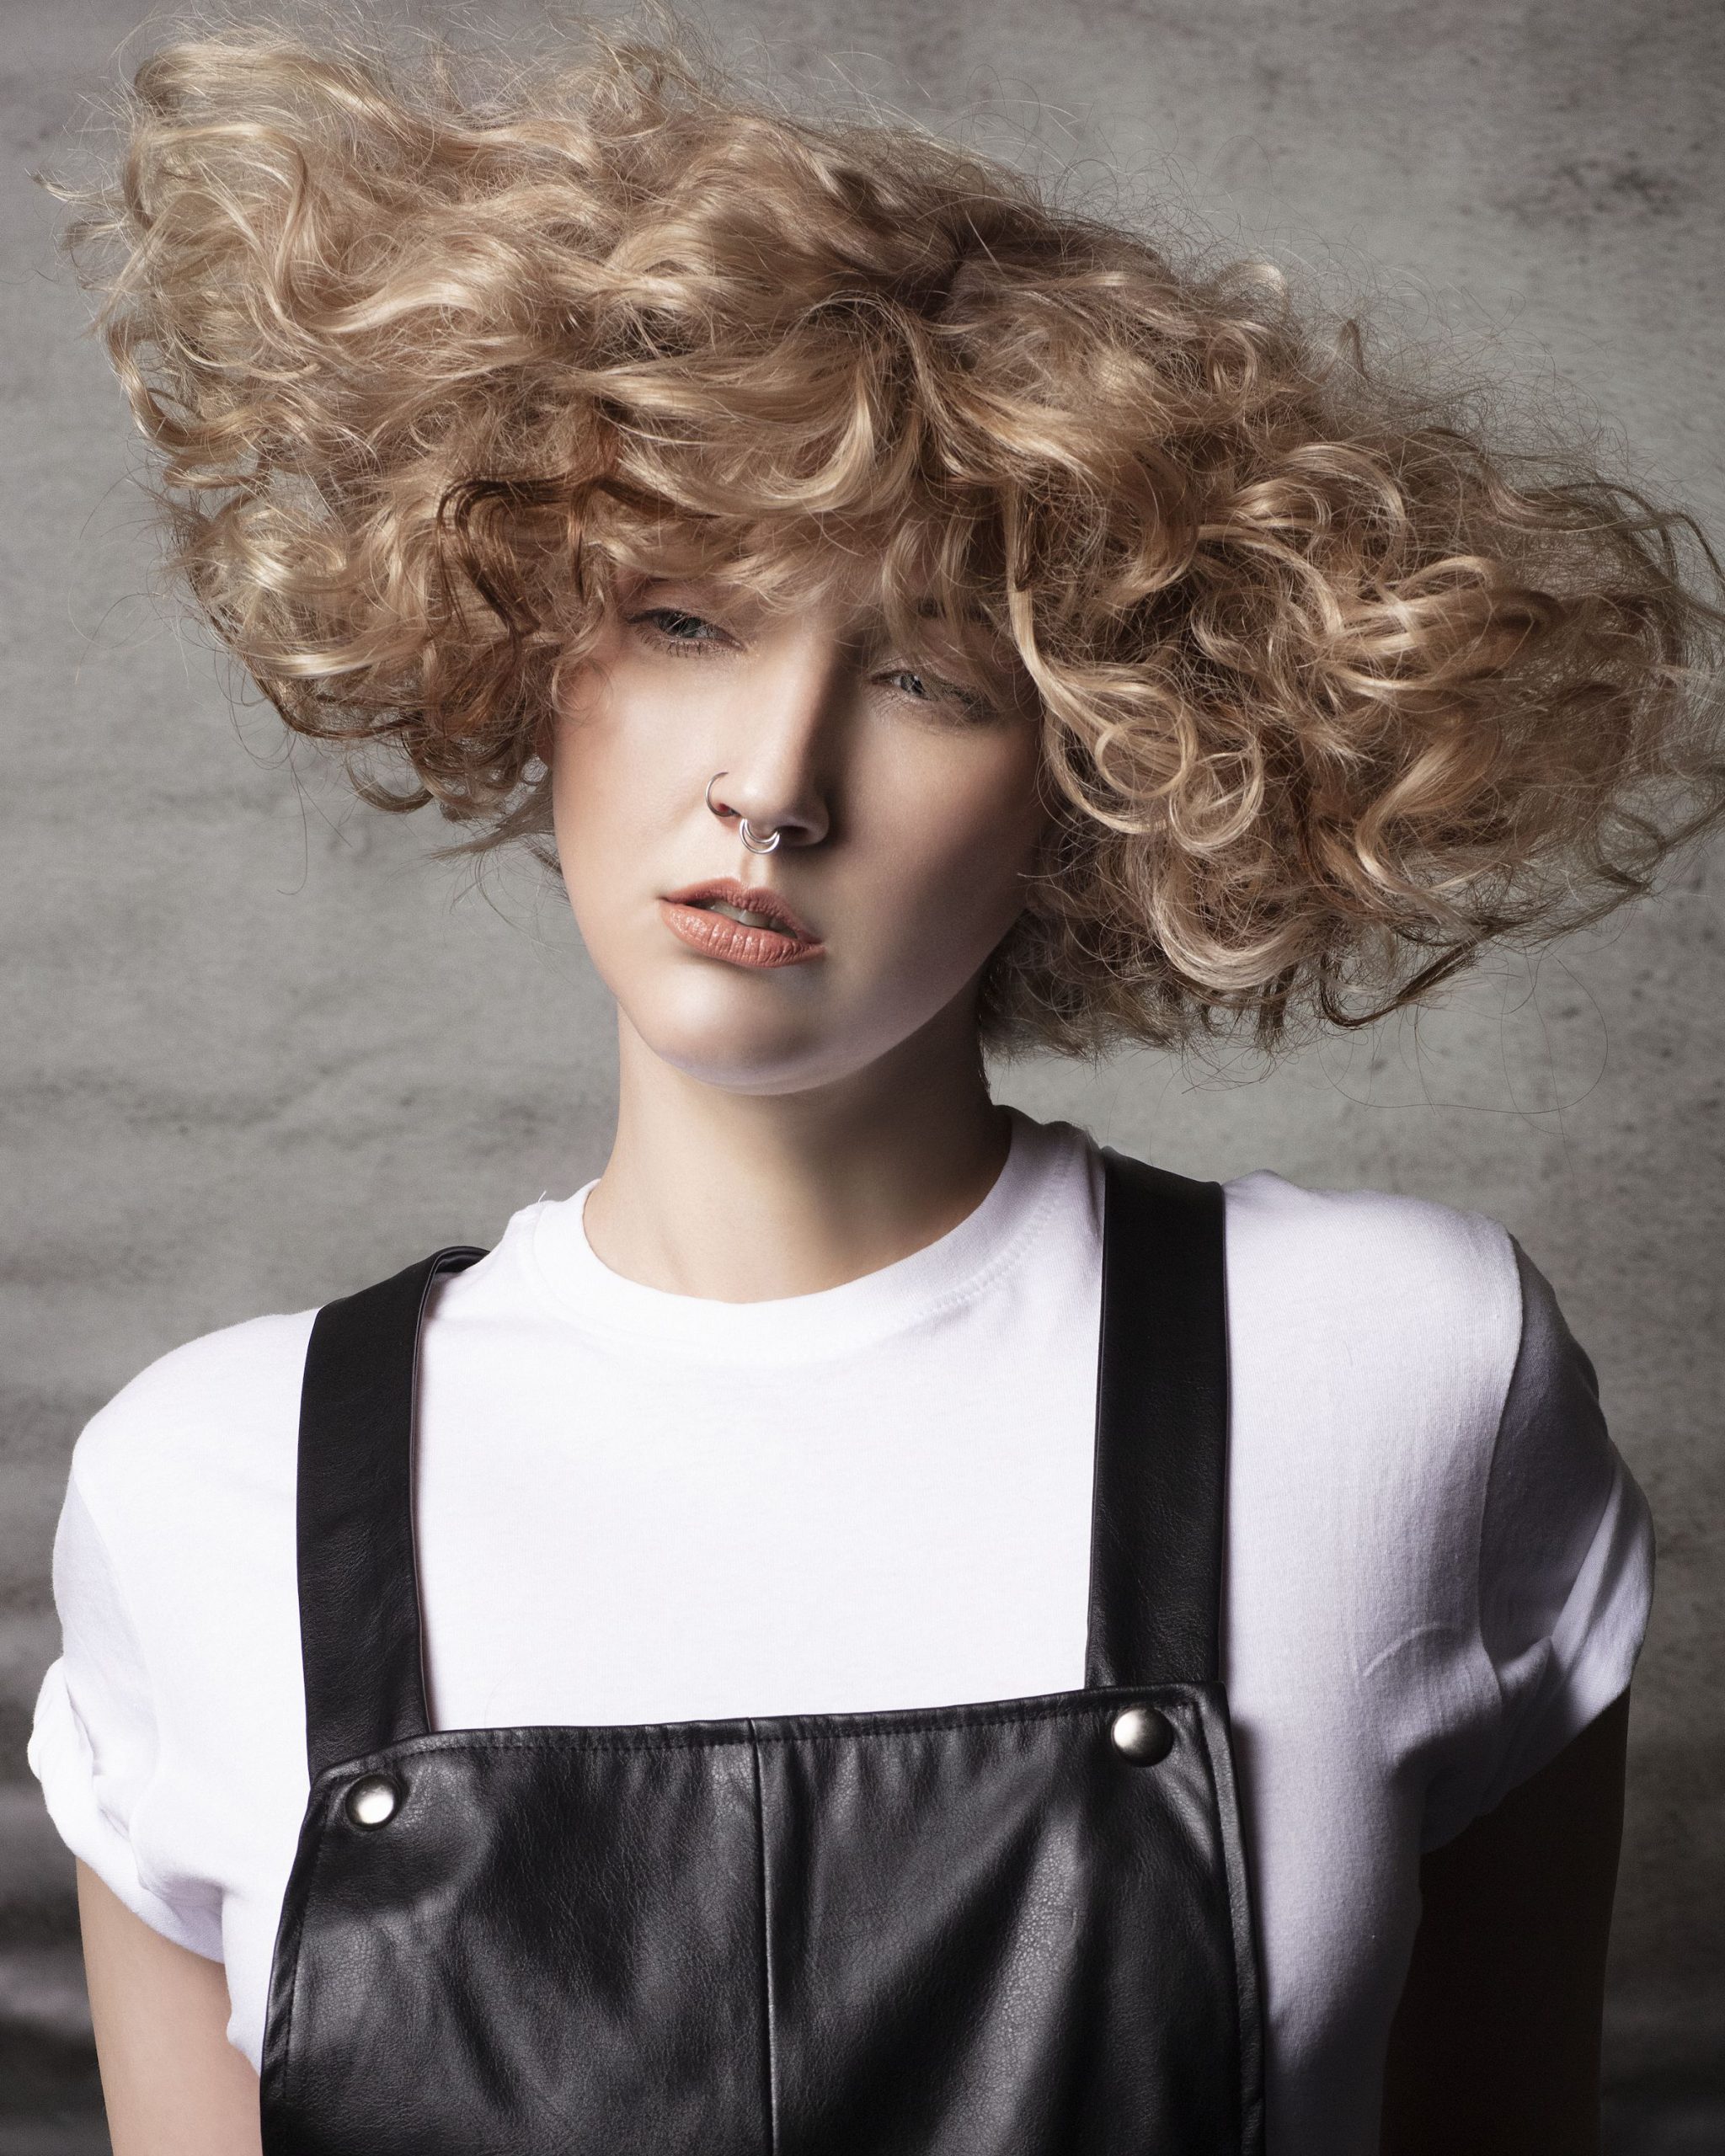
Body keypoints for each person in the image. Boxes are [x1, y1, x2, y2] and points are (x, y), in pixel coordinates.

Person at [26, 18, 1724, 2156]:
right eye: (682, 620)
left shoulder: (1403, 1374)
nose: (773, 780)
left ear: (1109, 764)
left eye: (928, 673)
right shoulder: (205, 1486)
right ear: (520, 641)